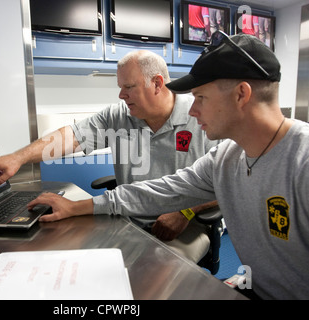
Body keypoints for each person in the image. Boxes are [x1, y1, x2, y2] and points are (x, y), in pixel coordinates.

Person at [27, 32, 309, 300]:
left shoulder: (302, 162)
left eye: (201, 97)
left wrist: (185, 213)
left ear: (241, 94)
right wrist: (76, 207)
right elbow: (158, 192)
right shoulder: (225, 158)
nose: (193, 109)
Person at [0, 50, 220, 263]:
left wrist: (185, 212)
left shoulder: (201, 116)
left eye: (128, 87)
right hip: (127, 215)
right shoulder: (119, 116)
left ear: (156, 83)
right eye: (120, 88)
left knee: (156, 278)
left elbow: (223, 179)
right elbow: (72, 137)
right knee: (84, 262)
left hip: (185, 223)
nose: (121, 96)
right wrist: (17, 158)